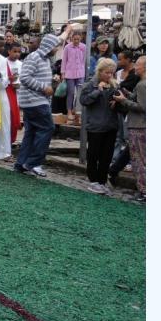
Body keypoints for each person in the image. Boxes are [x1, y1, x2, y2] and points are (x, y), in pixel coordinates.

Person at [15, 31, 67, 177]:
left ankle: (21, 163)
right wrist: (44, 87)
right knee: (48, 128)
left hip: (33, 101)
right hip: (34, 101)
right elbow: (24, 77)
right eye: (55, 47)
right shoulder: (35, 57)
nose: (56, 50)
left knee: (31, 132)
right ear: (49, 47)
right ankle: (32, 162)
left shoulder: (44, 59)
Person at [79, 58, 120, 194]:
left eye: (112, 73)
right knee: (93, 154)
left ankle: (102, 181)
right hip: (95, 126)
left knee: (106, 156)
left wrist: (118, 102)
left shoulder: (115, 85)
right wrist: (98, 90)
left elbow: (121, 104)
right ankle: (93, 180)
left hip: (111, 125)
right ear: (100, 72)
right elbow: (84, 101)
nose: (110, 75)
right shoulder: (90, 84)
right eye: (107, 73)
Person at [112, 56, 146, 200]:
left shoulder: (142, 84)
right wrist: (126, 94)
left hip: (139, 126)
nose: (135, 68)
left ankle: (144, 190)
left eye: (137, 65)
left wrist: (123, 100)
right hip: (142, 126)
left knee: (139, 161)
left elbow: (142, 107)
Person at [61, 31, 87, 124]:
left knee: (80, 93)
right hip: (69, 73)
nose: (76, 41)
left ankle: (77, 111)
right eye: (74, 39)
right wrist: (63, 73)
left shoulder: (83, 47)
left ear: (81, 39)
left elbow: (84, 60)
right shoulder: (67, 47)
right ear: (71, 39)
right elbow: (64, 61)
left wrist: (84, 71)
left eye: (78, 39)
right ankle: (69, 111)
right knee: (70, 92)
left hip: (80, 72)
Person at [6, 42, 23, 146]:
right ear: (9, 51)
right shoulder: (3, 62)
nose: (17, 54)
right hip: (6, 93)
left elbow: (23, 78)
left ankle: (12, 139)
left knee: (14, 119)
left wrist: (19, 83)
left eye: (19, 52)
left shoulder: (21, 64)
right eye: (14, 51)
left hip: (17, 93)